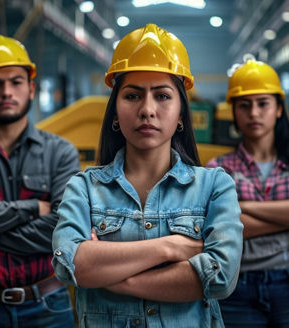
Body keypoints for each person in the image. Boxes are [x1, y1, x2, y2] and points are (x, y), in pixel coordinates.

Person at [51, 23, 243, 328]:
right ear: (114, 110)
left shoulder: (215, 186)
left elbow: (220, 277)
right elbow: (71, 266)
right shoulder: (84, 187)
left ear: (182, 112)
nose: (147, 109)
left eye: (163, 96)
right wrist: (171, 247)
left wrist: (115, 279)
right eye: (132, 96)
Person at [0, 34, 80, 327]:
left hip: (47, 307)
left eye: (15, 81)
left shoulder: (60, 153)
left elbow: (62, 229)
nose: (6, 92)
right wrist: (33, 208)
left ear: (30, 87)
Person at [206, 57, 289, 327]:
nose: (254, 113)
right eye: (244, 105)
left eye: (263, 103)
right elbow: (221, 228)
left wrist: (242, 206)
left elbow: (234, 220)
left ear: (279, 108)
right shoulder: (218, 169)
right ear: (233, 111)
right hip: (236, 287)